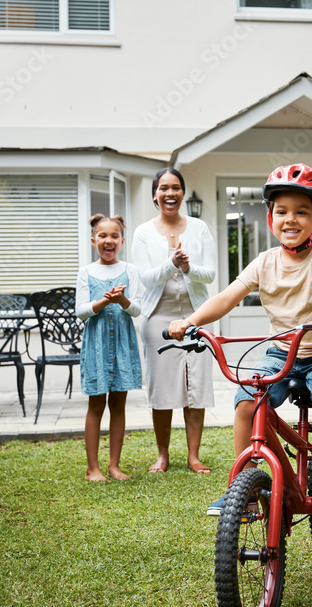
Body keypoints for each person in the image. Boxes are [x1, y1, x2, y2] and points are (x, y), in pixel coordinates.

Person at [168, 163, 312, 521]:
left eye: (301, 212)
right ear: (270, 217)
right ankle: (242, 484)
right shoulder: (264, 263)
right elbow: (227, 297)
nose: (290, 219)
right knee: (247, 399)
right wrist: (191, 321)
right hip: (281, 351)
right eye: (282, 212)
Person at [132, 168, 217, 474]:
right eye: (164, 188)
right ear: (155, 194)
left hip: (196, 316)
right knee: (162, 387)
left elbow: (210, 273)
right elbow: (145, 277)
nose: (170, 194)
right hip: (159, 318)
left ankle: (194, 456)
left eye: (176, 188)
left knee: (195, 385)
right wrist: (171, 263)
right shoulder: (143, 232)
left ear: (183, 192)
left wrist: (189, 267)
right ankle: (162, 454)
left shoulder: (199, 228)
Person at [75, 214, 143, 482]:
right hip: (97, 346)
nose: (108, 240)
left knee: (118, 404)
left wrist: (123, 299)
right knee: (96, 404)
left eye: (114, 236)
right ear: (94, 240)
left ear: (122, 240)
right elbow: (80, 312)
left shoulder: (131, 270)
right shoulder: (86, 272)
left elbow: (137, 310)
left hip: (123, 345)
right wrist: (101, 303)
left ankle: (114, 466)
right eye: (102, 236)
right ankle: (93, 468)